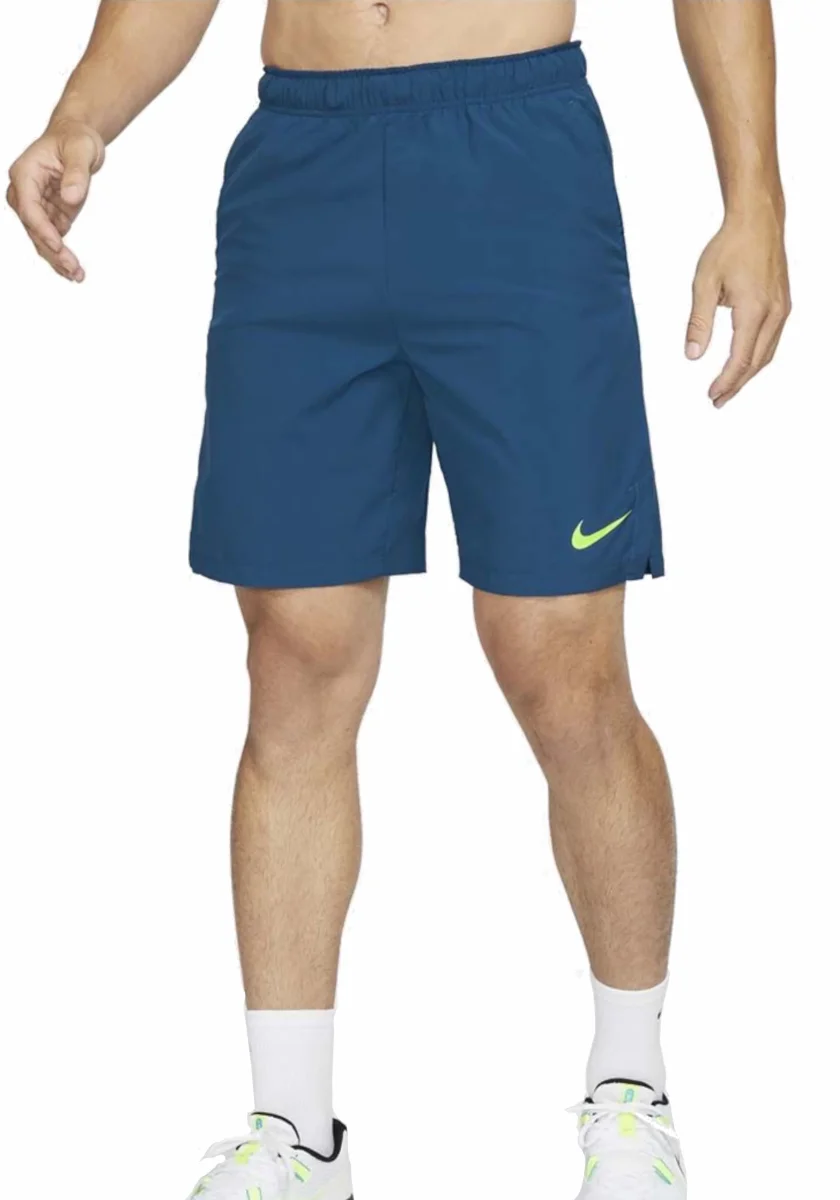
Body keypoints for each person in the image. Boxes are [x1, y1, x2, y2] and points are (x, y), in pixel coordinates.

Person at [7, 2, 791, 1198]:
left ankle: (631, 1091)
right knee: (296, 654)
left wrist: (756, 198)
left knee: (559, 658)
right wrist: (82, 114)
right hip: (302, 168)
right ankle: (295, 1135)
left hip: (515, 161)